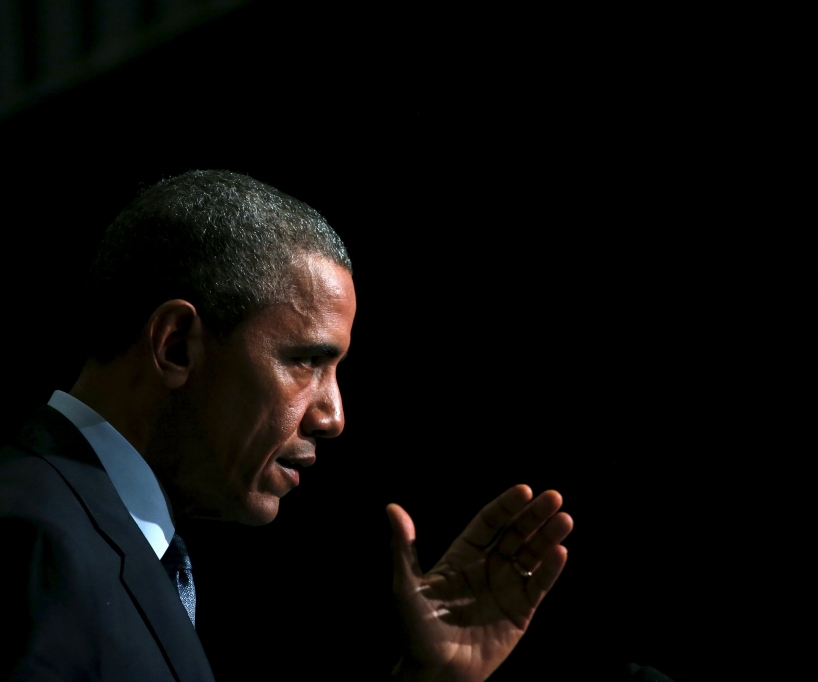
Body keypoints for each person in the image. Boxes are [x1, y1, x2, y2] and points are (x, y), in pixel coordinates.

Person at [0, 170, 575, 681]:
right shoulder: (29, 542)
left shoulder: (95, 536)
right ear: (176, 347)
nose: (333, 417)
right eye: (305, 361)